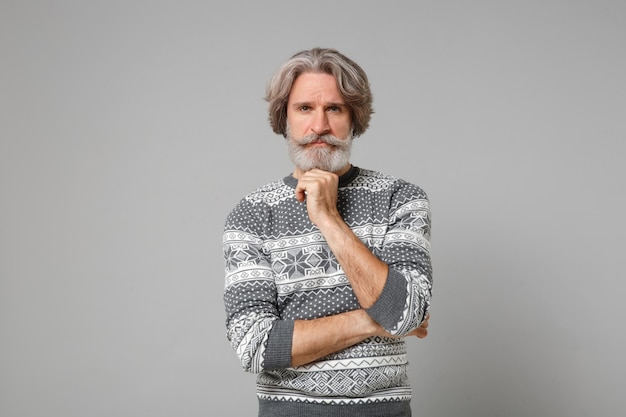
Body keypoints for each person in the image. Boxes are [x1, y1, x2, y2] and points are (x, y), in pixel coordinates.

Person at [223, 47, 433, 417]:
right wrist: (372, 320)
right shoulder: (252, 214)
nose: (319, 126)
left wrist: (328, 218)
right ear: (284, 118)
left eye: (334, 109)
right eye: (305, 108)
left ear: (354, 118)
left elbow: (405, 314)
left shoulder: (400, 199)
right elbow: (257, 347)